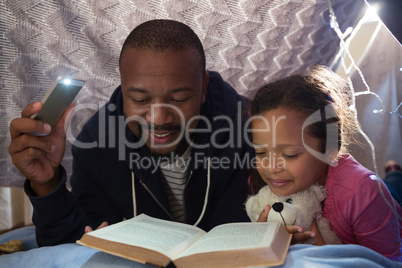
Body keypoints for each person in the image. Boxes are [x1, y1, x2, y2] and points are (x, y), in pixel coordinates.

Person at [8, 19, 253, 246]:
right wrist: (46, 184)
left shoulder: (250, 128)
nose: (158, 118)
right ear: (123, 90)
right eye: (139, 99)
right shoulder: (95, 144)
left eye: (178, 98)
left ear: (203, 87)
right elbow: (71, 246)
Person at [248, 65, 402, 261]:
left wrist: (323, 254)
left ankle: (395, 172)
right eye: (261, 152)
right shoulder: (264, 181)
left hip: (385, 200)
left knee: (395, 188)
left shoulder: (362, 193)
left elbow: (390, 263)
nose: (271, 168)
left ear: (329, 150)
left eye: (289, 154)